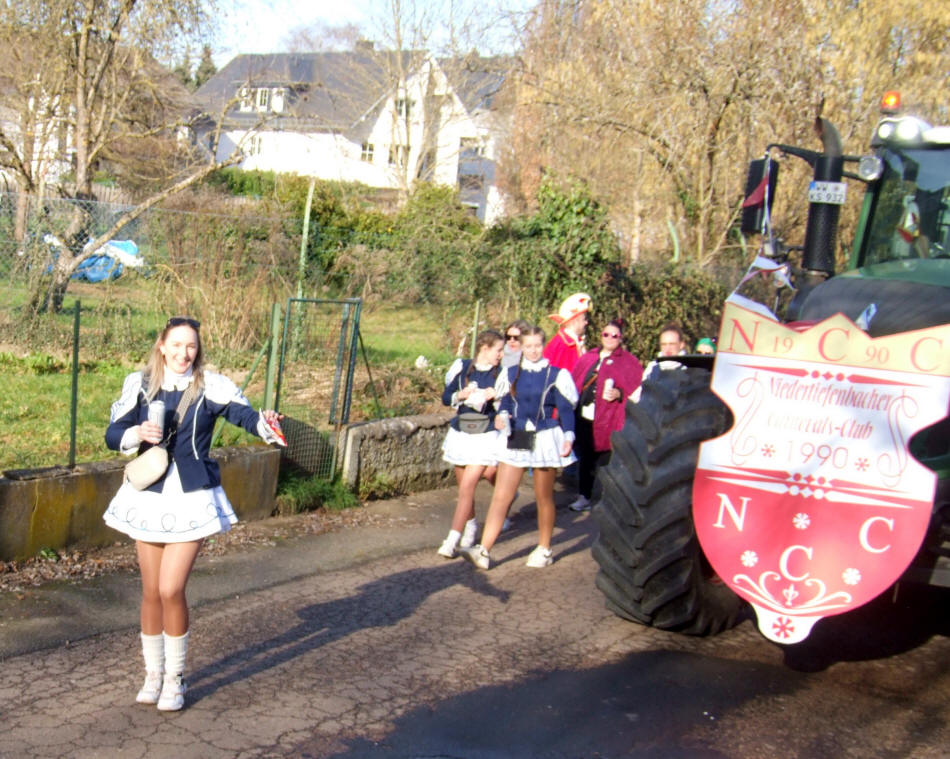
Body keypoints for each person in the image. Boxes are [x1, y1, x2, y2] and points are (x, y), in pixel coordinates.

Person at [104, 316, 285, 712]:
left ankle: (176, 677)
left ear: (197, 350)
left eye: (191, 346)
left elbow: (245, 417)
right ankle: (153, 674)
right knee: (151, 591)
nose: (184, 353)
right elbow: (112, 433)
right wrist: (137, 434)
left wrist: (266, 424)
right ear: (162, 346)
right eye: (177, 345)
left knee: (171, 589)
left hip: (192, 498)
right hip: (148, 496)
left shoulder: (212, 386)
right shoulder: (139, 384)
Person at [459, 325, 578, 569]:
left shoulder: (557, 374)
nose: (533, 351)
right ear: (521, 347)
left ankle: (544, 548)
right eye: (528, 346)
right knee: (501, 496)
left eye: (537, 346)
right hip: (520, 435)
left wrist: (568, 436)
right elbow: (505, 404)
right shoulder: (511, 373)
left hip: (544, 436)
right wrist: (502, 416)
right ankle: (484, 549)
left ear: (543, 346)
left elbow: (566, 409)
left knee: (544, 496)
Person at [437, 329, 505, 558]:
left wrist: (494, 397)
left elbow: (507, 405)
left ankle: (451, 540)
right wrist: (462, 395)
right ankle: (471, 524)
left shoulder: (501, 373)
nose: (501, 354)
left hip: (485, 435)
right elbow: (446, 397)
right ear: (485, 349)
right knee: (464, 488)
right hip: (461, 432)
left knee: (467, 487)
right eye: (498, 350)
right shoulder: (463, 367)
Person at [568, 318, 644, 511]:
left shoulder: (628, 362)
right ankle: (583, 496)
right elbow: (574, 382)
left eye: (614, 335)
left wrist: (619, 394)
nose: (609, 338)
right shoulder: (589, 357)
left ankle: (604, 499)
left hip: (609, 418)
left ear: (621, 338)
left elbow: (636, 391)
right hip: (585, 415)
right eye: (606, 334)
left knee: (605, 459)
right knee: (586, 457)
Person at [634, 322, 688, 401]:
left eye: (672, 344)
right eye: (664, 344)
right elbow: (638, 395)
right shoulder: (653, 367)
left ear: (681, 344)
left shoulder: (687, 368)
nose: (667, 348)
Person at [542, 292, 591, 373]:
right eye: (584, 319)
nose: (586, 323)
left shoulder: (573, 342)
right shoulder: (562, 345)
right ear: (574, 321)